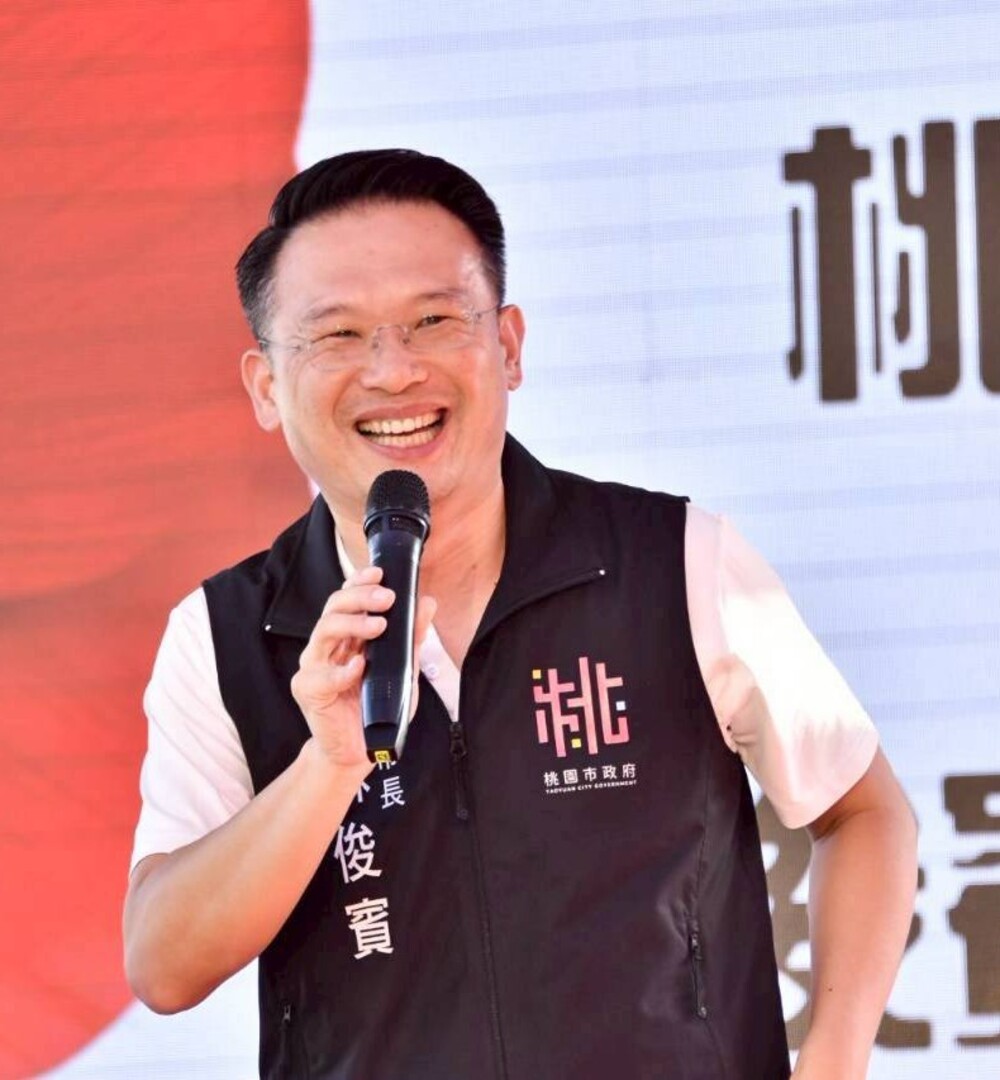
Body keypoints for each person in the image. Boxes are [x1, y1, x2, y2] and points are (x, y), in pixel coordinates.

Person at [123, 149, 918, 1079]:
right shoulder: (223, 636)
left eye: (433, 320)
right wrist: (328, 766)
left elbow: (864, 811)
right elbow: (163, 964)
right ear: (266, 387)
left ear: (507, 346)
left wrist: (834, 1057)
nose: (393, 371)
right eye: (338, 335)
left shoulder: (674, 561)